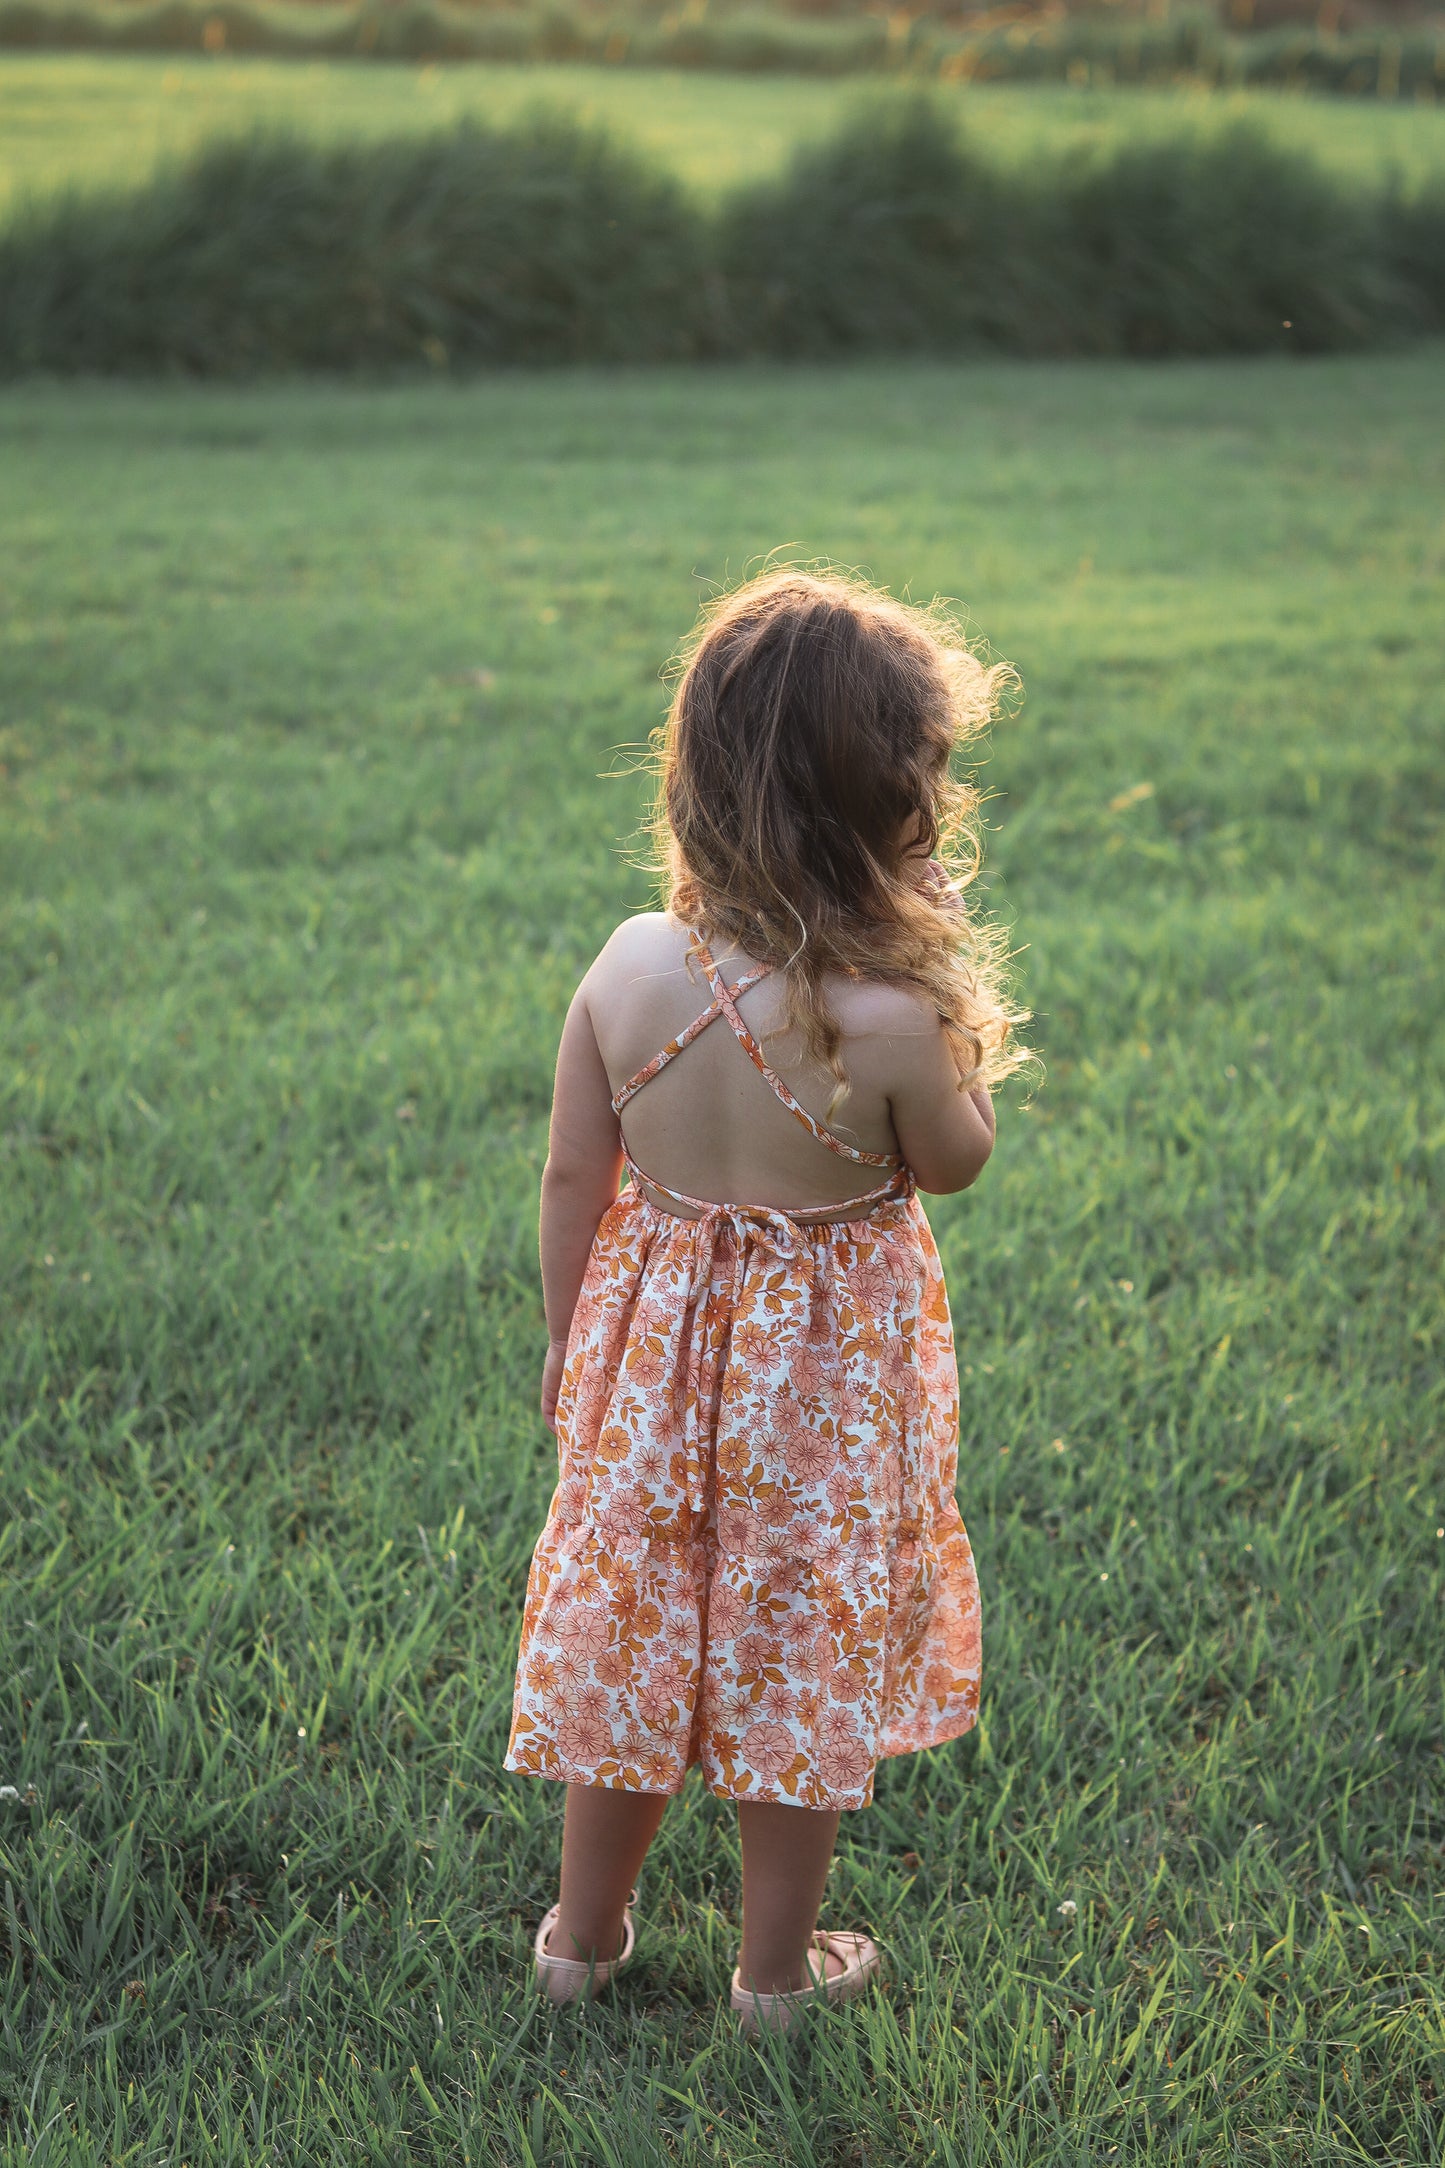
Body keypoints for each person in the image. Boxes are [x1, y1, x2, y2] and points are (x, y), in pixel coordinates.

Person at [503, 567, 1030, 2035]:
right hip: (827, 1396)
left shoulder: (631, 966)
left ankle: (579, 1939)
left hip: (650, 1373)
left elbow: (572, 1172)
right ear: (882, 808)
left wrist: (571, 1342)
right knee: (793, 1651)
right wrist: (949, 997)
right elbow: (955, 1163)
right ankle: (774, 1979)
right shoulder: (886, 1019)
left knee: (636, 1627)